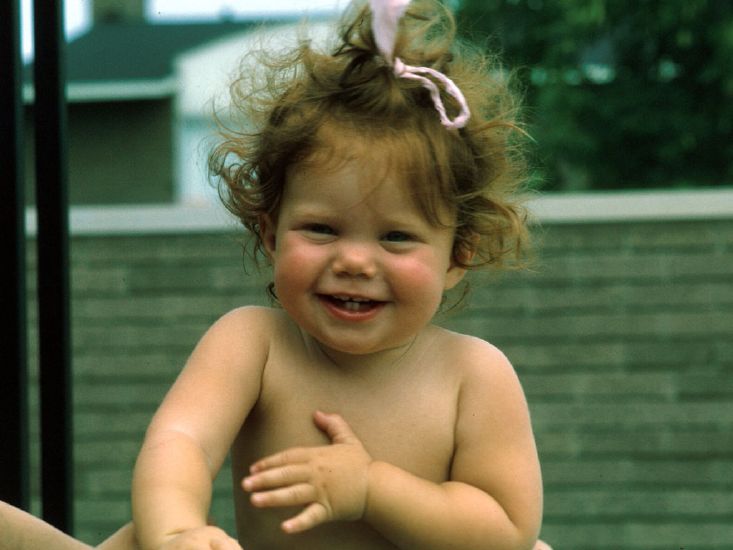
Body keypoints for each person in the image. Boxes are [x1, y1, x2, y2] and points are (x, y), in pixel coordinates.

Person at [2, 0, 553, 548]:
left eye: (395, 237)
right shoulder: (254, 345)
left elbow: (506, 530)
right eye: (321, 229)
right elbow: (181, 442)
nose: (355, 261)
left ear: (458, 254)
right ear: (270, 234)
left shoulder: (474, 376)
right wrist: (176, 530)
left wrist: (371, 487)